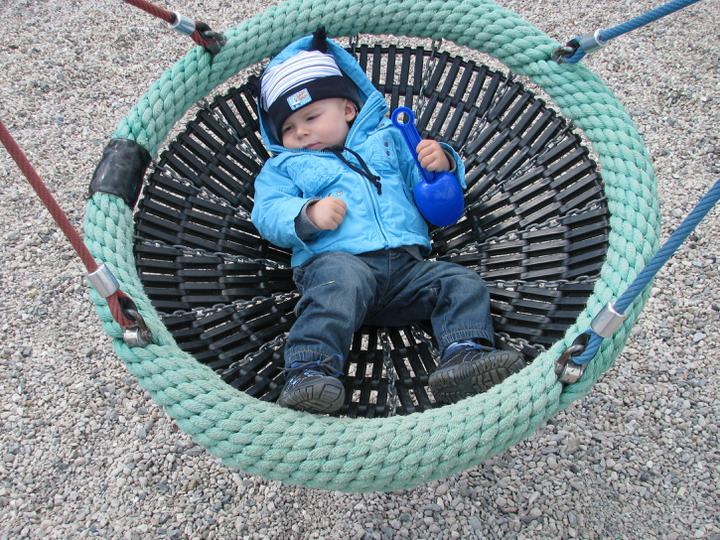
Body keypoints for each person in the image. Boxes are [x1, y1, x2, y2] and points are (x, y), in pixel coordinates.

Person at [251, 28, 525, 413]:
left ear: (348, 110)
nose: (302, 132)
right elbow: (267, 211)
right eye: (288, 129)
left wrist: (442, 163)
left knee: (460, 282)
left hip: (406, 272)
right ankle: (308, 371)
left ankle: (463, 353)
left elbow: (424, 183)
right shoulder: (285, 166)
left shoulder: (388, 139)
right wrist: (308, 214)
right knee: (339, 284)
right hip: (338, 266)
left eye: (311, 116)